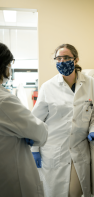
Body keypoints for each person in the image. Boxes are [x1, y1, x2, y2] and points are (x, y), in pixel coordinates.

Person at [31, 43, 94, 197]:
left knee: (75, 193)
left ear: (76, 59)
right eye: (58, 58)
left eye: (66, 58)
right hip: (54, 149)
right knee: (55, 193)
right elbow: (36, 121)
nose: (62, 61)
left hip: (79, 149)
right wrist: (35, 149)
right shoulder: (48, 87)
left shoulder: (91, 83)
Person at [0, 42, 48, 197]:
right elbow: (39, 131)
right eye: (10, 64)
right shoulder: (5, 100)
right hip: (11, 174)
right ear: (4, 66)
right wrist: (30, 134)